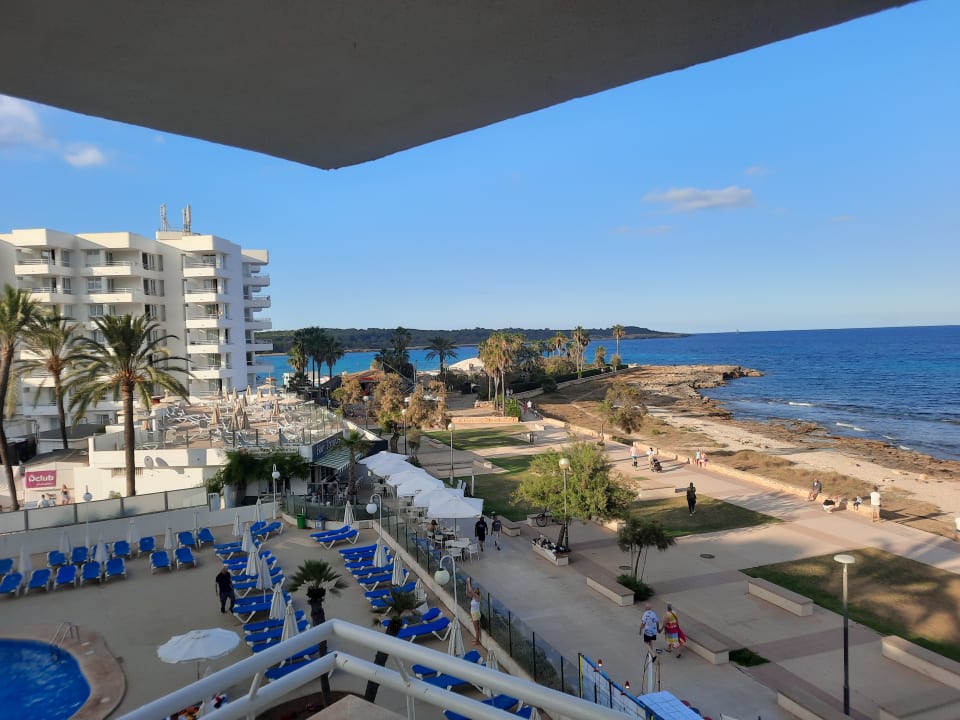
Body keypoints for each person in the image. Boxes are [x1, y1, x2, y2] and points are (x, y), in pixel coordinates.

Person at [466, 577, 482, 645]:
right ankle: (476, 639)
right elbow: (467, 593)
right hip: (474, 614)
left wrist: (469, 582)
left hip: (475, 614)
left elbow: (471, 591)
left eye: (476, 589)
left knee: (476, 629)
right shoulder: (474, 597)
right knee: (476, 628)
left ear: (478, 592)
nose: (475, 590)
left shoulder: (477, 597)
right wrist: (466, 585)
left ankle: (477, 641)